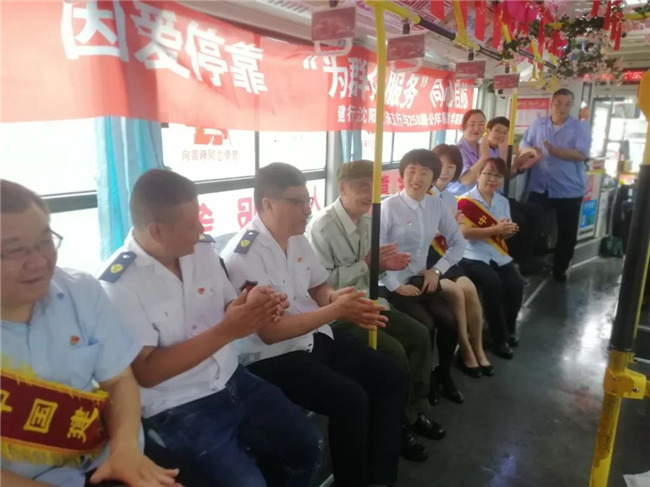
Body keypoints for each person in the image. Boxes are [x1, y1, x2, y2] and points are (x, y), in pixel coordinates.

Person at [99, 169, 323, 487]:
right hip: (178, 405)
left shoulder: (202, 250)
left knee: (307, 446)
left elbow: (229, 306)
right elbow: (147, 371)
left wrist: (251, 303)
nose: (202, 230)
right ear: (157, 230)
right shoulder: (119, 284)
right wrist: (228, 330)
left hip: (231, 378)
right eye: (192, 224)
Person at [222, 163, 407, 487]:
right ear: (268, 204)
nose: (307, 209)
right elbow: (270, 333)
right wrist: (335, 310)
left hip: (312, 337)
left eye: (307, 201)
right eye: (297, 202)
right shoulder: (243, 255)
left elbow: (318, 286)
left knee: (391, 375)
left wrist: (335, 296)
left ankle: (381, 476)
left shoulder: (297, 239)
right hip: (273, 357)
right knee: (350, 399)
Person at [0, 179, 179, 487]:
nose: (39, 262)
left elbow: (118, 379)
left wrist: (125, 451)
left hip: (106, 461)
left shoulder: (80, 291)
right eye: (15, 250)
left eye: (44, 241)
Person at [307, 160, 445, 464]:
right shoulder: (321, 227)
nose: (369, 194)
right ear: (342, 188)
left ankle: (411, 413)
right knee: (393, 351)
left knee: (420, 335)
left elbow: (373, 272)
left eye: (373, 187)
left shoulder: (369, 222)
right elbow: (321, 285)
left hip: (370, 301)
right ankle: (395, 428)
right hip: (339, 314)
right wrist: (369, 265)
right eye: (361, 186)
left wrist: (383, 267)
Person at [379, 149, 465, 404]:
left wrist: (436, 270)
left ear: (433, 178)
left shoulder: (436, 206)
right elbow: (375, 254)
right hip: (391, 285)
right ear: (402, 175)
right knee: (425, 327)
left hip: (421, 281)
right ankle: (421, 386)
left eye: (424, 172)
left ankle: (443, 374)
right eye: (411, 171)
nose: (416, 178)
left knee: (449, 321)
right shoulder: (388, 207)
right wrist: (395, 286)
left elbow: (458, 243)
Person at [429, 145, 494, 377]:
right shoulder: (422, 195)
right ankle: (466, 351)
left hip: (444, 255)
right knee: (457, 292)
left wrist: (451, 229)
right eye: (440, 165)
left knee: (470, 289)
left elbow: (454, 236)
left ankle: (478, 349)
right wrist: (443, 230)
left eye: (451, 166)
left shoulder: (450, 198)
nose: (445, 171)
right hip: (425, 258)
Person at [521, 88, 592, 282]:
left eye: (567, 104)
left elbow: (581, 154)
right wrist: (531, 151)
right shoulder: (538, 125)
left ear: (572, 106)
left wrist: (554, 151)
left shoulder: (580, 128)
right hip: (539, 186)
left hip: (569, 189)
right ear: (551, 104)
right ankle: (528, 264)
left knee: (567, 232)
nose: (562, 107)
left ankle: (560, 268)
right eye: (559, 103)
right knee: (529, 225)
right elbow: (524, 144)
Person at [458, 158, 526, 360]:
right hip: (471, 255)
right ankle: (498, 339)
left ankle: (509, 329)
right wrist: (496, 229)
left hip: (497, 254)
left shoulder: (502, 201)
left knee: (516, 284)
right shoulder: (465, 202)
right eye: (487, 173)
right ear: (478, 175)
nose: (492, 179)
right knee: (493, 284)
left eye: (497, 175)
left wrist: (508, 232)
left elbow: (503, 234)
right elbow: (464, 234)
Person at [484, 117, 545, 275]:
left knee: (536, 211)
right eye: (497, 130)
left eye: (505, 132)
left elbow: (505, 177)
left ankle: (523, 260)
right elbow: (491, 178)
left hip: (500, 197)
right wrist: (505, 156)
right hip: (487, 199)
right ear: (488, 131)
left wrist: (519, 167)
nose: (501, 135)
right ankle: (512, 262)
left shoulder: (499, 150)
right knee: (519, 221)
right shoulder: (484, 151)